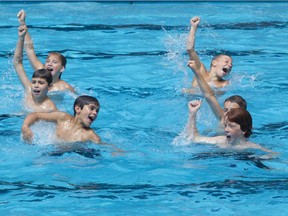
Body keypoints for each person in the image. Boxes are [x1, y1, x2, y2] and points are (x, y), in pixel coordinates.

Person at [21, 95, 122, 154]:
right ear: (78, 109)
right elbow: (35, 115)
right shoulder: (62, 118)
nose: (95, 113)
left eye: (97, 111)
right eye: (91, 108)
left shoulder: (90, 135)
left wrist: (116, 151)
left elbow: (104, 146)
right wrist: (25, 127)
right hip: (51, 151)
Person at [186, 100, 276, 159]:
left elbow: (274, 154)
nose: (226, 129)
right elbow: (194, 138)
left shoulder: (250, 147)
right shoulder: (220, 140)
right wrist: (192, 113)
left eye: (231, 126)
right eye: (226, 125)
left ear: (243, 129)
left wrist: (260, 158)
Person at [17, 9, 75, 93]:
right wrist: (22, 23)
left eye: (54, 62)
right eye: (47, 61)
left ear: (62, 68)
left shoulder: (65, 88)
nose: (49, 63)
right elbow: (29, 49)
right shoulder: (40, 70)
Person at [13, 24, 57, 113]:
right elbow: (17, 63)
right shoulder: (29, 90)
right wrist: (21, 38)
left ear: (49, 87)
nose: (36, 85)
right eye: (33, 82)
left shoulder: (50, 109)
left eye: (41, 83)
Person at [187, 60, 246, 126]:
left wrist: (197, 72)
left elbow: (209, 95)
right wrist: (193, 113)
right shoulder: (223, 120)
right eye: (225, 110)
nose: (228, 114)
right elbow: (209, 96)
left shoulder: (242, 128)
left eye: (233, 111)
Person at [186, 16, 233, 89]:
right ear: (214, 63)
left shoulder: (225, 84)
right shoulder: (200, 69)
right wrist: (193, 28)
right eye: (226, 62)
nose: (229, 65)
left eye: (231, 65)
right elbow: (190, 49)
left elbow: (211, 98)